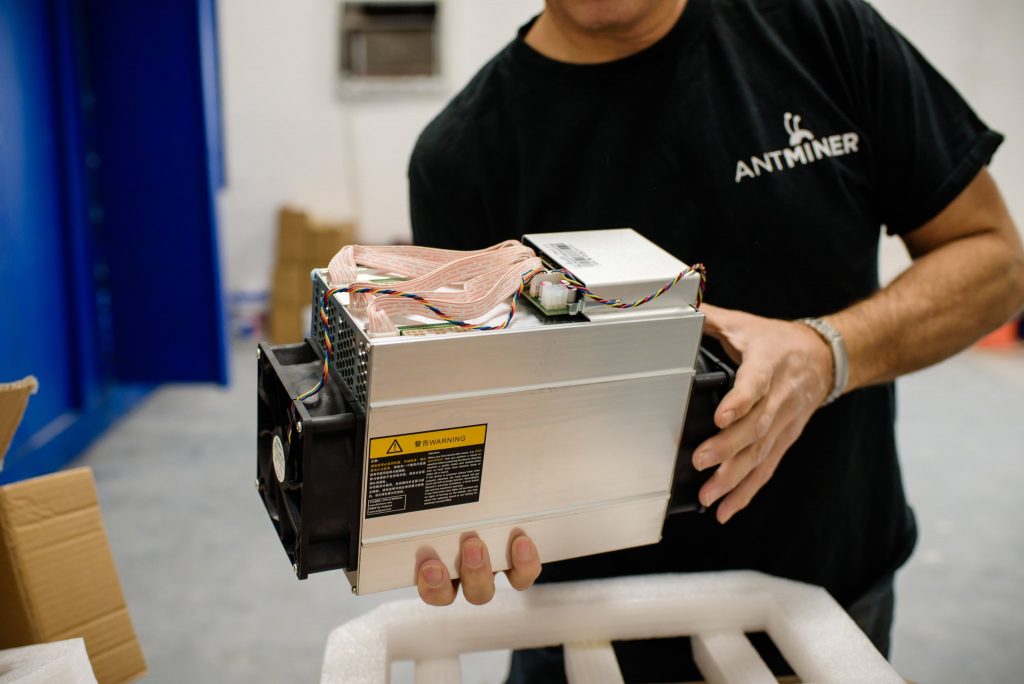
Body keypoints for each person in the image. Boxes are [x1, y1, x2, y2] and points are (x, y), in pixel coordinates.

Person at [406, 0, 1024, 680]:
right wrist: (459, 516)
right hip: (586, 628)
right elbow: (471, 430)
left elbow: (995, 260)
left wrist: (827, 352)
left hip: (826, 599)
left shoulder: (818, 30)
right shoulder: (462, 157)